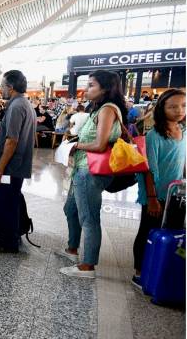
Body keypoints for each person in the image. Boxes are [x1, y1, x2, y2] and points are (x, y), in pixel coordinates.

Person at [58, 70, 128, 278]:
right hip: (81, 169)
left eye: (91, 85)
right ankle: (72, 249)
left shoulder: (107, 110)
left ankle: (87, 266)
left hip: (91, 171)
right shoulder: (97, 110)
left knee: (88, 217)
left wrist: (76, 144)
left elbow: (99, 144)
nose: (86, 89)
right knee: (70, 209)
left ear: (105, 88)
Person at [131, 89, 185, 288]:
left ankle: (164, 269)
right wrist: (152, 198)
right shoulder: (154, 136)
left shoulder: (184, 132)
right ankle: (139, 272)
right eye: (173, 106)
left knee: (174, 233)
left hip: (176, 195)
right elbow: (149, 169)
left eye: (183, 105)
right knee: (147, 230)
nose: (179, 110)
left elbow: (183, 162)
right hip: (155, 193)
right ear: (162, 109)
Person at [0, 70, 36, 254]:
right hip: (16, 165)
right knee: (11, 201)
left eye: (2, 86)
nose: (0, 90)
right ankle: (9, 236)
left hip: (10, 167)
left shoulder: (16, 107)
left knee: (6, 203)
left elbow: (12, 140)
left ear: (11, 87)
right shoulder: (25, 104)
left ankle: (8, 243)